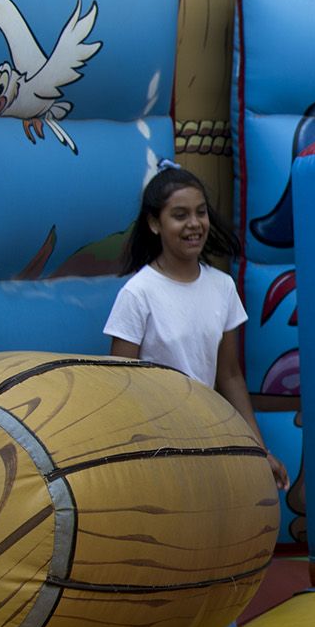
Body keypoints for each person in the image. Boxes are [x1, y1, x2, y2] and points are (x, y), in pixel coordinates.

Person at [105, 161, 289, 492]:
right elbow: (121, 385)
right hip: (156, 450)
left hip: (207, 442)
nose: (194, 224)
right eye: (180, 215)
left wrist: (261, 451)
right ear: (154, 223)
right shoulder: (138, 293)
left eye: (200, 213)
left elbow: (229, 376)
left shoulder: (222, 287)